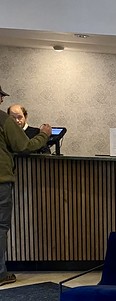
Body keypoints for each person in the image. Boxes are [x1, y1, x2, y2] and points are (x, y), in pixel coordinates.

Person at [0, 86, 52, 286]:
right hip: (1, 180)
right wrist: (44, 134)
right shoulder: (4, 120)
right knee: (1, 226)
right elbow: (24, 146)